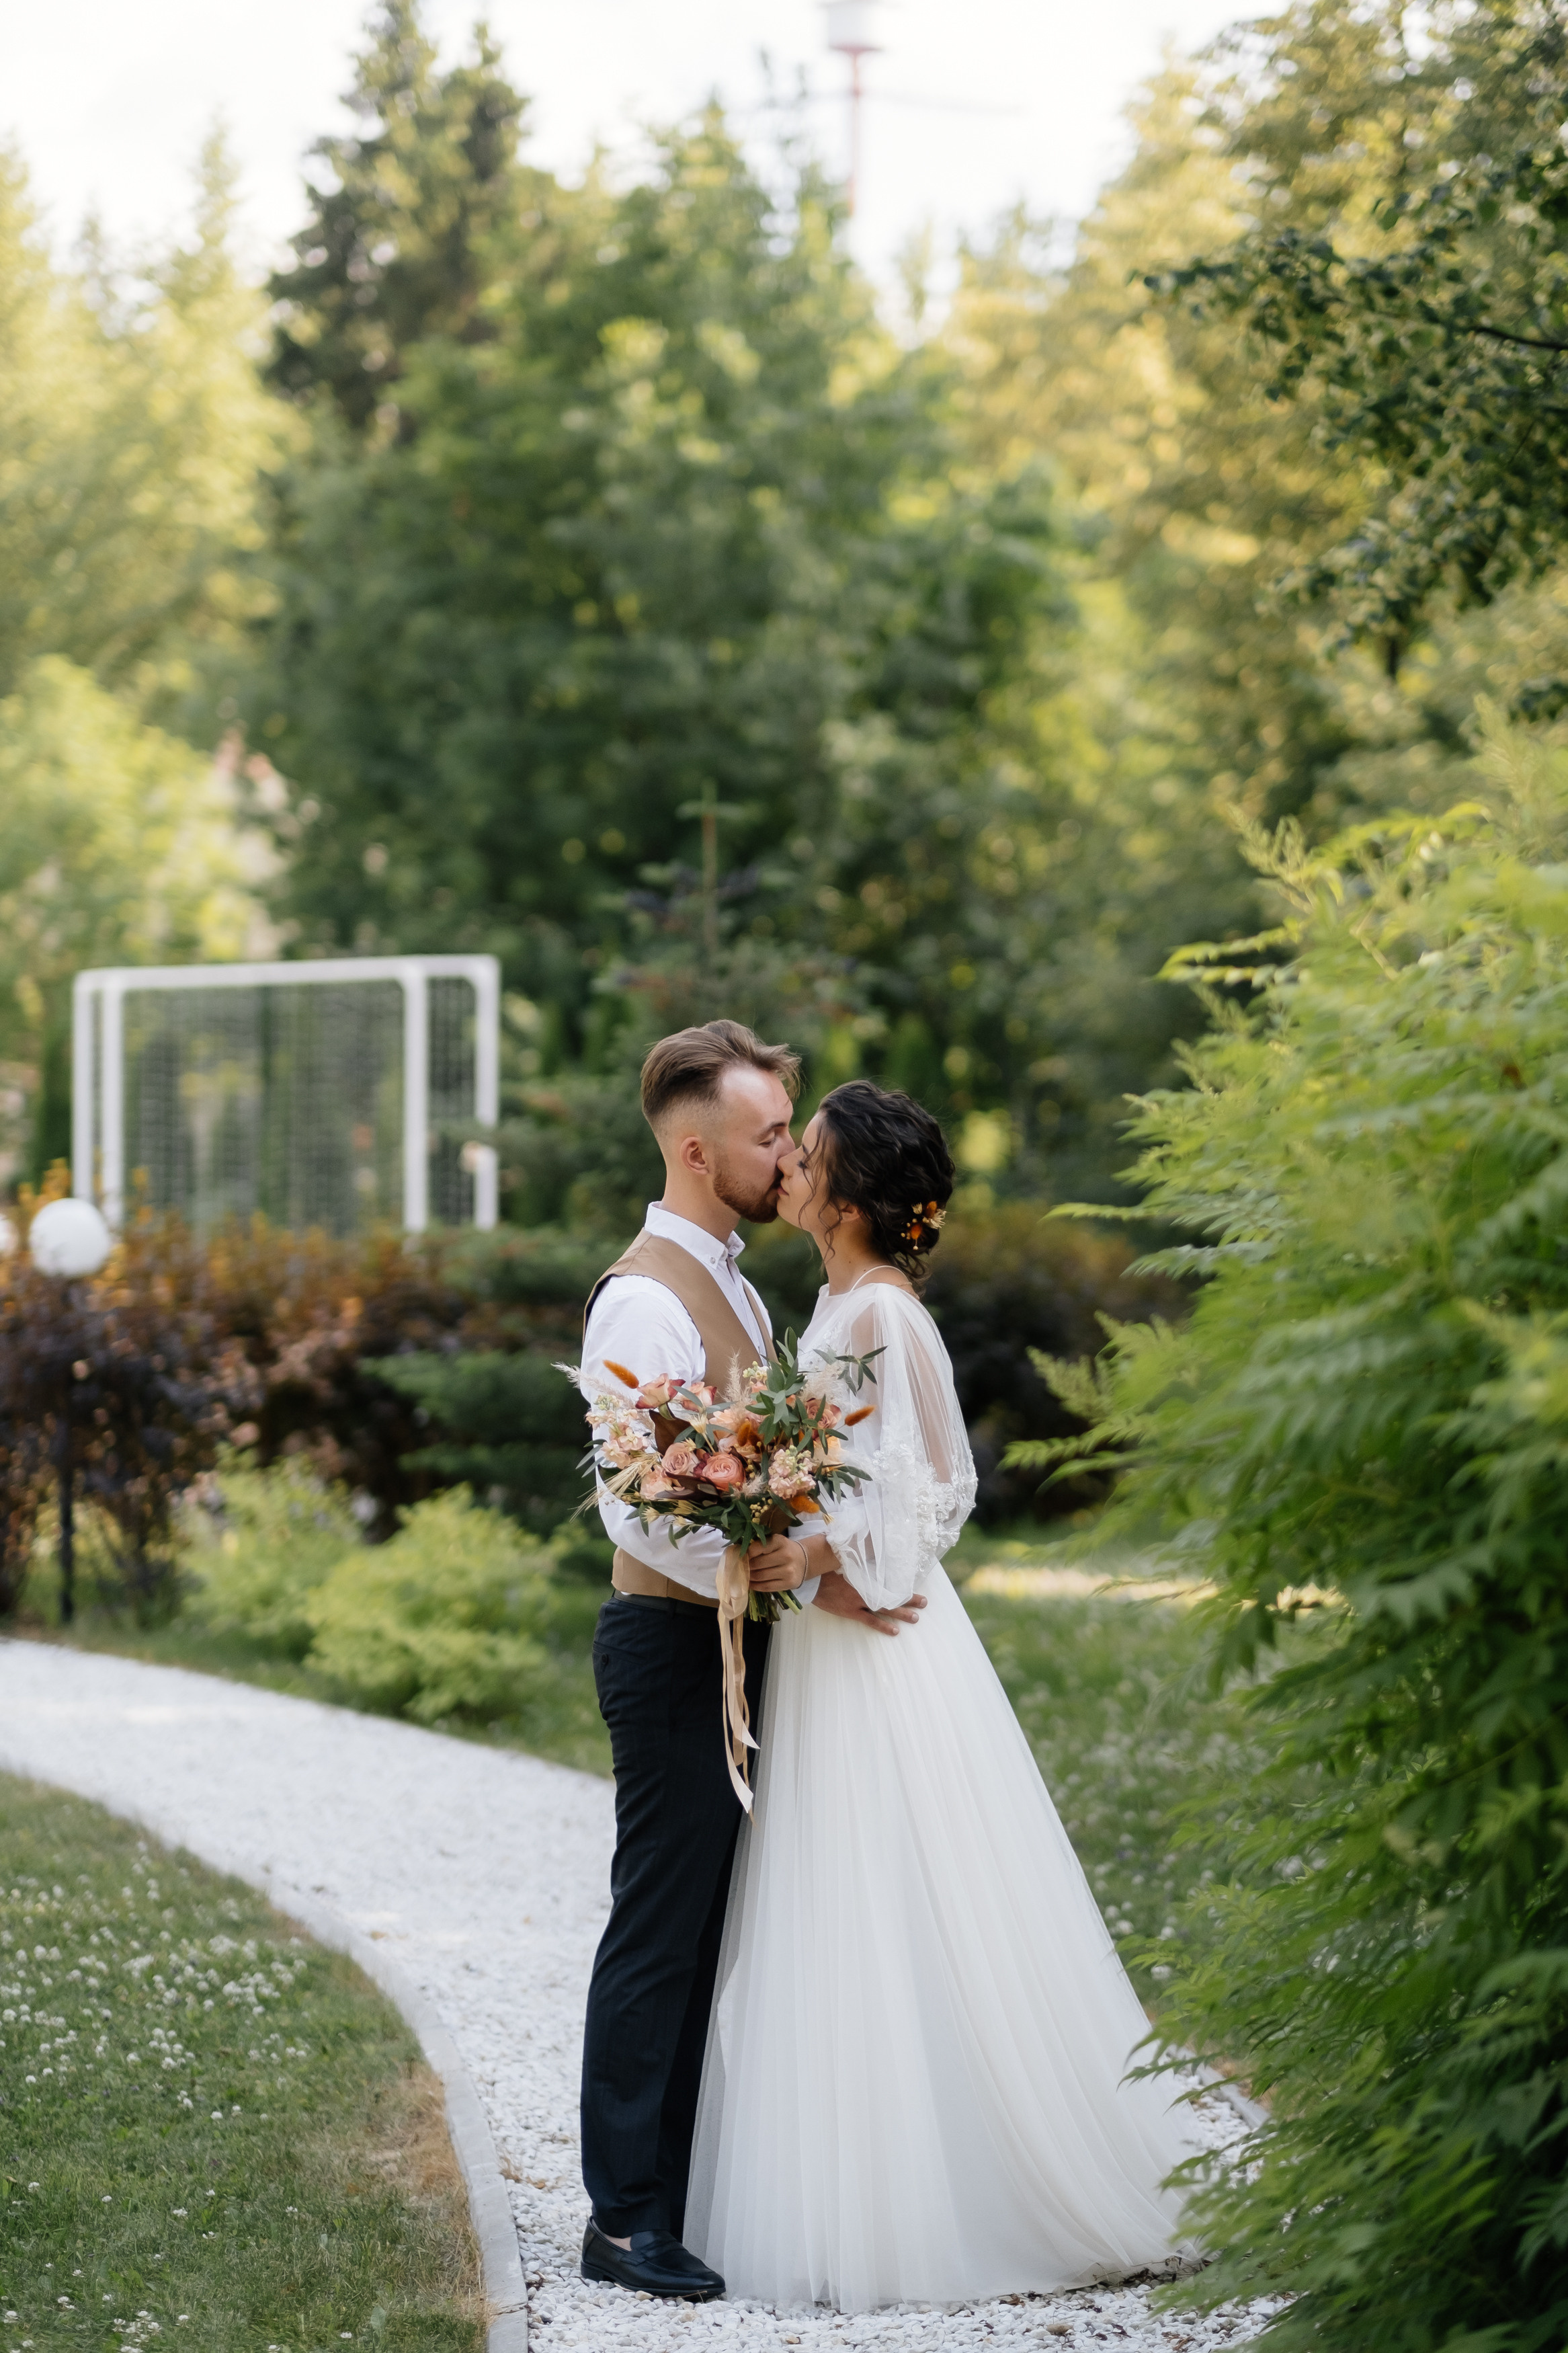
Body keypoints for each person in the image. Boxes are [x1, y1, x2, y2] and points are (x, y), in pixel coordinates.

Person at [685, 1078, 1198, 2312]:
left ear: (852, 1198)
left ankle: (960, 2189)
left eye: (805, 1157)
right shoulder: (835, 1301)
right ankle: (857, 2176)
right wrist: (788, 1529)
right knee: (839, 1890)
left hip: (883, 1644)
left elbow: (939, 1490)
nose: (788, 1172)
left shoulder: (883, 1317)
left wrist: (818, 1557)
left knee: (903, 1884)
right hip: (829, 1640)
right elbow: (853, 1471)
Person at [575, 1024, 926, 2305]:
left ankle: (679, 2193)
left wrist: (812, 1555)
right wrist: (774, 1555)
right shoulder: (644, 1296)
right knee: (662, 1927)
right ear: (694, 1147)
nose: (789, 1153)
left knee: (719, 1926)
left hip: (739, 1643)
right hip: (673, 1647)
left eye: (789, 1131)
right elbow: (640, 1505)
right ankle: (619, 2220)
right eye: (769, 1133)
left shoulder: (739, 1281)